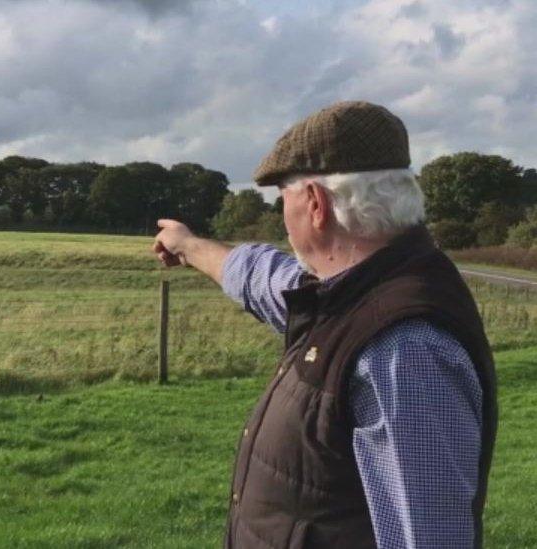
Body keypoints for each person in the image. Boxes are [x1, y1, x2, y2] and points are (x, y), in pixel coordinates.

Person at [152, 101, 497, 549]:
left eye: (284, 199)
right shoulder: (351, 294)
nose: (283, 215)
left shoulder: (401, 345)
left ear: (315, 204)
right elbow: (261, 276)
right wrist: (188, 245)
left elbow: (429, 537)